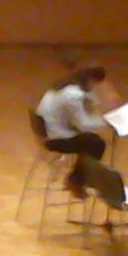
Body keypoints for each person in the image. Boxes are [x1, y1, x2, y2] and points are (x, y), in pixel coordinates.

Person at [35, 64, 109, 195]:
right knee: (97, 144)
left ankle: (79, 178)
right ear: (90, 80)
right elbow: (83, 125)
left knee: (90, 139)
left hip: (50, 130)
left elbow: (90, 99)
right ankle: (76, 180)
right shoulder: (73, 95)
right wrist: (106, 122)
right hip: (55, 138)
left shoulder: (66, 85)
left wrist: (95, 104)